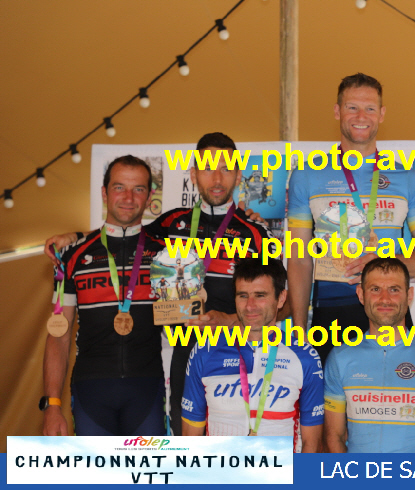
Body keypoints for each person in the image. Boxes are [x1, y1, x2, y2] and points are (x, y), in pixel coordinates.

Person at [43, 132, 276, 436]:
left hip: (238, 358)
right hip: (184, 359)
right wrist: (74, 237)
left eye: (226, 168)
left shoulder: (255, 233)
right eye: (208, 168)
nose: (217, 178)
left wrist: (229, 320)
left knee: (236, 455)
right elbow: (123, 229)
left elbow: (278, 307)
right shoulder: (170, 225)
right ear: (193, 174)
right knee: (185, 454)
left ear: (238, 175)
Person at [287, 73, 415, 362]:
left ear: (381, 114)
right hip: (331, 311)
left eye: (370, 108)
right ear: (337, 111)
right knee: (333, 393)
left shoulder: (406, 178)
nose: (361, 116)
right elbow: (299, 259)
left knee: (394, 391)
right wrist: (298, 330)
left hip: (389, 309)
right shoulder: (307, 175)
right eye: (352, 107)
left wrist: (382, 264)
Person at [42, 156, 166, 436]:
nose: (128, 198)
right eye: (119, 187)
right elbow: (59, 334)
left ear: (149, 197)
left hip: (147, 388)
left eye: (138, 189)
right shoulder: (72, 255)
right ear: (104, 193)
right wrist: (52, 405)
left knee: (150, 468)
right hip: (91, 390)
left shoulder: (168, 255)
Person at [181, 259, 323, 452]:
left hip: (282, 470)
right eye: (243, 296)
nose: (250, 306)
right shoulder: (205, 352)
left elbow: (312, 444)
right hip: (222, 469)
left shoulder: (304, 357)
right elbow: (190, 439)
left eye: (260, 295)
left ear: (281, 298)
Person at [323, 258, 415, 453]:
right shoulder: (340, 358)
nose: (385, 298)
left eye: (394, 289)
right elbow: (334, 436)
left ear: (409, 295)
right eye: (375, 289)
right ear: (361, 295)